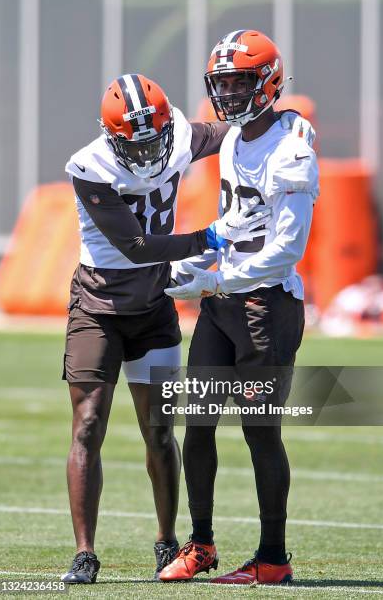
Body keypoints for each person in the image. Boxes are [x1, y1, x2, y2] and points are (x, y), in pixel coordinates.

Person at [59, 71, 287, 584]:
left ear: (167, 128)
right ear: (108, 134)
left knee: (159, 429)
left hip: (154, 306)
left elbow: (240, 124)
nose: (145, 154)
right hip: (99, 304)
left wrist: (289, 123)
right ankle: (84, 552)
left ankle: (166, 542)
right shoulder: (89, 167)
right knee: (89, 424)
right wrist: (211, 236)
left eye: (154, 140)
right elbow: (135, 247)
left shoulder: (181, 135)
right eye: (131, 145)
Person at [160, 30, 319, 585]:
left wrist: (217, 279)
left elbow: (287, 249)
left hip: (265, 308)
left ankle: (273, 558)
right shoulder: (232, 140)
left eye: (239, 81)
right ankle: (201, 545)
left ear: (268, 82)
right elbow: (237, 226)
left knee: (260, 430)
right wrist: (199, 263)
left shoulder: (292, 146)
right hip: (224, 303)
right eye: (221, 83)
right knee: (196, 424)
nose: (228, 93)